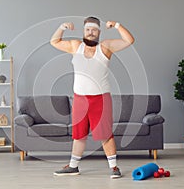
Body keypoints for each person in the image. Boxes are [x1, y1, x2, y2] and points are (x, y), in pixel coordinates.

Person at [50, 16, 134, 179]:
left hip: (100, 99)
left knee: (105, 134)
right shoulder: (76, 46)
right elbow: (54, 41)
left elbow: (129, 40)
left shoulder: (106, 46)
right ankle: (73, 167)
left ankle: (114, 167)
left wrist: (117, 25)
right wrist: (62, 27)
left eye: (94, 30)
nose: (90, 33)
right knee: (79, 134)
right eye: (88, 30)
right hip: (80, 99)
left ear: (98, 32)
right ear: (84, 31)